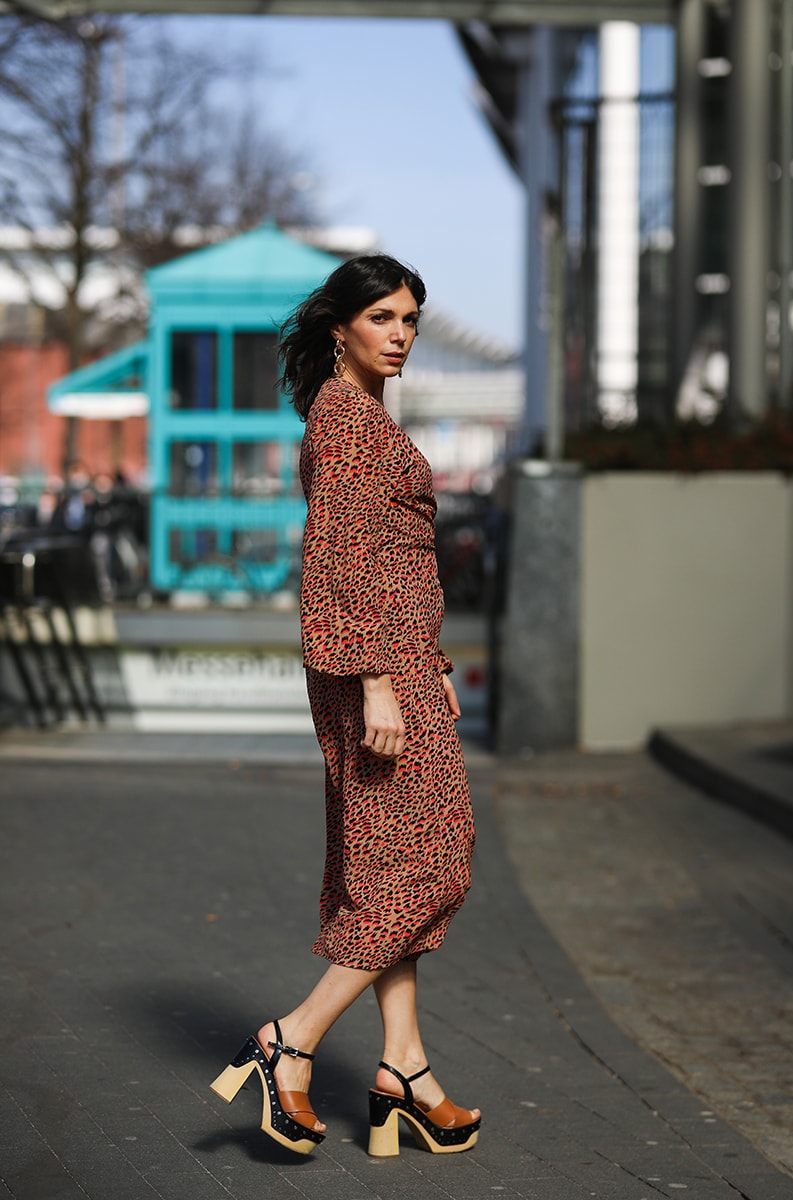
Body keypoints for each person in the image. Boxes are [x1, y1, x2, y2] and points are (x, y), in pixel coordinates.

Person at [210, 254, 480, 1158]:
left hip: (403, 664)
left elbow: (393, 556)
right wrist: (376, 677)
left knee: (393, 863)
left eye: (410, 319)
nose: (401, 334)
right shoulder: (343, 421)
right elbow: (336, 557)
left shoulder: (363, 415)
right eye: (383, 319)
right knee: (432, 860)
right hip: (376, 674)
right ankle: (290, 1039)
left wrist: (429, 660)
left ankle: (403, 1070)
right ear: (341, 329)